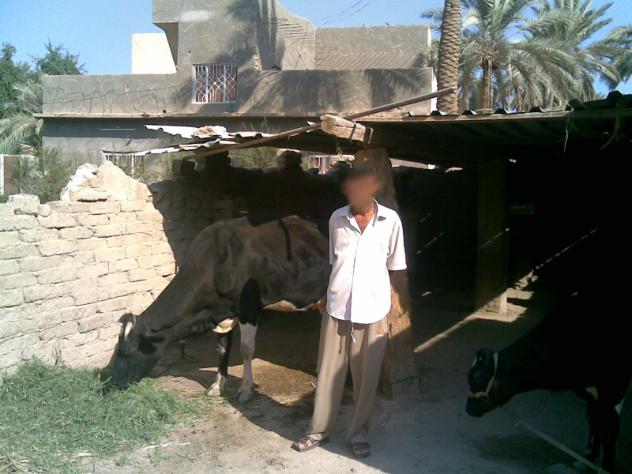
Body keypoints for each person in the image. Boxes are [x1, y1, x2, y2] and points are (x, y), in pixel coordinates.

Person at [293, 162, 407, 458]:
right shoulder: (337, 219)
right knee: (328, 373)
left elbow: (396, 267)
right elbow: (335, 262)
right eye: (351, 188)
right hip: (337, 308)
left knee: (366, 379)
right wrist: (325, 298)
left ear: (374, 188)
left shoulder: (391, 221)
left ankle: (359, 432)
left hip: (373, 311)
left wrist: (394, 309)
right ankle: (318, 430)